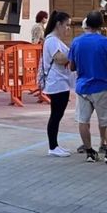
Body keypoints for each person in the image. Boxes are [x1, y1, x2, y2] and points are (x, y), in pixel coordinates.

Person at [70, 10, 107, 164]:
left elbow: (72, 66)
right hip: (102, 86)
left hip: (82, 88)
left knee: (83, 120)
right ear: (101, 24)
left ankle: (89, 152)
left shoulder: (76, 42)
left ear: (86, 24)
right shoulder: (105, 42)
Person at [40, 11, 74, 157]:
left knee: (57, 115)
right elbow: (59, 58)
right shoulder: (52, 40)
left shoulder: (55, 40)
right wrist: (74, 51)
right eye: (67, 25)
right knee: (56, 115)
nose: (68, 29)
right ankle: (53, 146)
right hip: (57, 83)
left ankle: (55, 145)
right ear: (58, 24)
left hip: (61, 82)